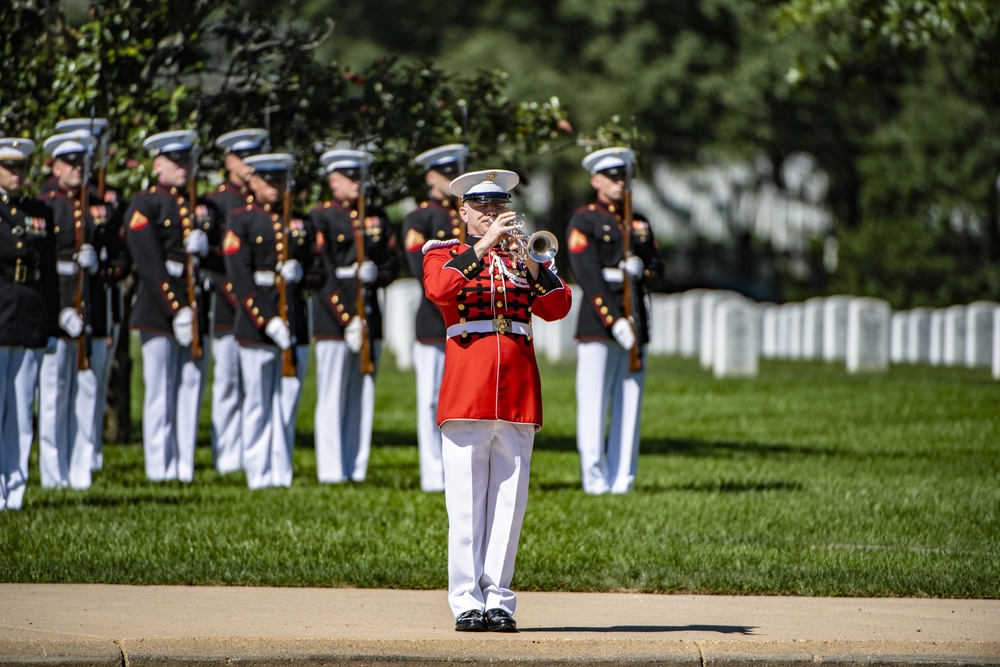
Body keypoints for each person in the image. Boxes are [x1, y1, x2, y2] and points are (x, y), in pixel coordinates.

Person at [422, 168, 571, 632]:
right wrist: (483, 248)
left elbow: (558, 307)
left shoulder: (524, 257)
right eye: (482, 208)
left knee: (509, 502)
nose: (491, 215)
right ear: (463, 213)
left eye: (498, 206)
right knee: (466, 502)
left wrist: (527, 259)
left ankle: (499, 600)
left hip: (518, 391)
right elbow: (439, 291)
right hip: (468, 388)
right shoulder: (444, 253)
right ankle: (466, 599)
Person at [565, 147, 664, 494]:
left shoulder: (639, 222)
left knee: (630, 403)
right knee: (593, 403)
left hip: (636, 317)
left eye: (623, 176)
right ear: (596, 180)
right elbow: (587, 274)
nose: (619, 182)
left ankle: (623, 478)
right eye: (611, 176)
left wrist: (643, 269)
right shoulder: (585, 220)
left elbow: (657, 268)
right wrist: (613, 320)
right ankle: (594, 478)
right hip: (598, 321)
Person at [37, 128, 128, 489]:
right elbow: (40, 267)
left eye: (82, 163)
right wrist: (59, 309)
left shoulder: (98, 206)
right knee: (54, 395)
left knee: (86, 395)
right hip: (58, 311)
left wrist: (100, 265)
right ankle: (52, 471)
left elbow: (120, 258)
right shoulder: (46, 205)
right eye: (70, 163)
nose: (78, 169)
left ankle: (80, 468)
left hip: (92, 309)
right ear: (55, 167)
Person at [223, 152, 317, 488]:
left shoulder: (301, 221)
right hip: (256, 324)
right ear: (253, 182)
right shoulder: (241, 220)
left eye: (280, 180)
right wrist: (266, 319)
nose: (275, 187)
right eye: (268, 180)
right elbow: (240, 276)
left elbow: (319, 270)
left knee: (287, 402)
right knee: (258, 402)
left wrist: (303, 273)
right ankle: (258, 472)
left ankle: (281, 470)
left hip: (294, 320)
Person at [124, 129, 214, 482]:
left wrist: (206, 247)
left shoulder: (196, 204)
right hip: (157, 307)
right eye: (175, 161)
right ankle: (159, 466)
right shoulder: (145, 204)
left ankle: (183, 465)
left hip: (194, 300)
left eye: (187, 160)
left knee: (190, 386)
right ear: (157, 163)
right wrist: (176, 307)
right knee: (160, 389)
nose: (183, 167)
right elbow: (149, 262)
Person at [309, 149, 399, 484]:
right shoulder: (321, 217)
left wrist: (377, 273)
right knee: (332, 393)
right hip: (334, 318)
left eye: (360, 176)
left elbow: (391, 261)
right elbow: (323, 271)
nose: (357, 183)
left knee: (362, 394)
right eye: (350, 177)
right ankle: (331, 469)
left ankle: (355, 466)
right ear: (333, 181)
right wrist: (346, 317)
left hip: (369, 311)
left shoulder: (376, 216)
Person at [401, 143, 468, 492]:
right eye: (445, 173)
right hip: (434, 319)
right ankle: (432, 473)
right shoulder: (421, 218)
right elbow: (422, 274)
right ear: (430, 177)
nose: (451, 178)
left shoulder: (468, 215)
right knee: (430, 398)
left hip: (467, 320)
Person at [204, 128, 269, 474]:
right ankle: (227, 454)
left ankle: (252, 453)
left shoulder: (261, 205)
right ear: (229, 161)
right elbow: (218, 260)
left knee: (255, 386)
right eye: (244, 158)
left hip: (261, 304)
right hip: (228, 303)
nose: (250, 165)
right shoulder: (218, 203)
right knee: (229, 382)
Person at [0, 136, 58, 510]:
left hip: (30, 311)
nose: (17, 174)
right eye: (9, 167)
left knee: (22, 409)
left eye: (21, 167)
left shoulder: (41, 212)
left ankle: (15, 488)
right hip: (0, 307)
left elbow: (49, 273)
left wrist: (51, 324)